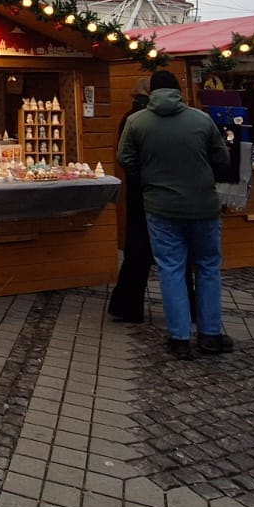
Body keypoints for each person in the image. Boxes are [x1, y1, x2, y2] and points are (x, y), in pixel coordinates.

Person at [118, 69, 231, 359]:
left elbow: (125, 159)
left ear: (152, 91)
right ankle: (211, 334)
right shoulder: (201, 119)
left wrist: (148, 179)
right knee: (207, 268)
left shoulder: (136, 122)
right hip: (203, 204)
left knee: (171, 269)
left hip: (161, 206)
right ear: (178, 90)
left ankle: (179, 337)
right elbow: (222, 158)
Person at [107, 78, 155, 323]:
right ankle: (188, 307)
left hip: (139, 193)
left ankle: (127, 306)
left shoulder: (131, 118)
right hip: (169, 195)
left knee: (136, 254)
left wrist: (138, 177)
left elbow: (124, 157)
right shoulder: (172, 118)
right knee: (178, 259)